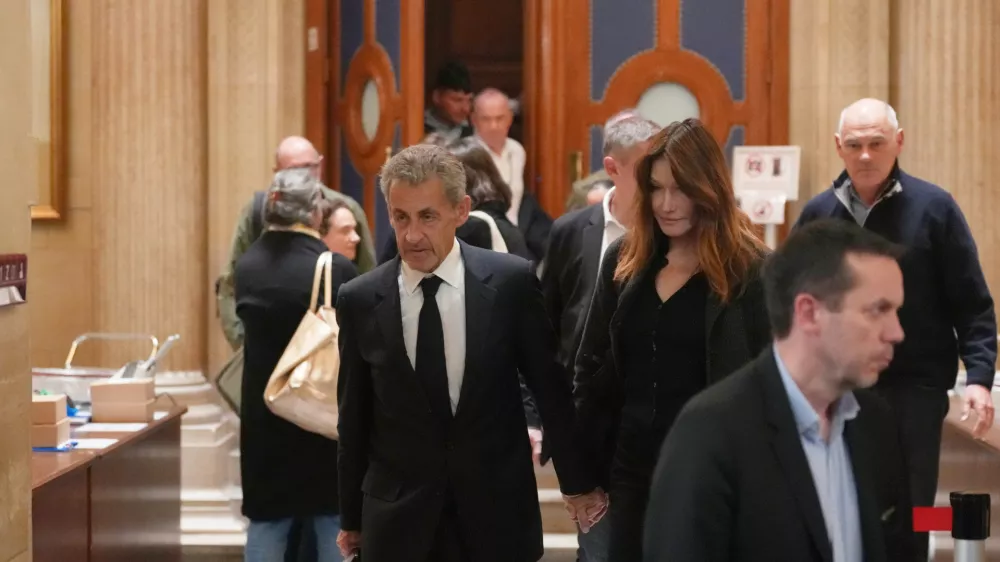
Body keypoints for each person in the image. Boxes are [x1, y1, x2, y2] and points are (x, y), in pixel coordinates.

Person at [335, 144, 607, 562]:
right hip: (398, 524)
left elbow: (550, 389)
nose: (412, 235)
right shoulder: (359, 299)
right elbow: (354, 418)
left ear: (461, 211)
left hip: (495, 515)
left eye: (427, 216)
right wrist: (351, 518)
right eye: (401, 217)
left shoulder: (510, 283)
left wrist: (577, 483)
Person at [644, 219, 918, 561]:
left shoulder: (875, 424)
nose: (896, 333)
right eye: (878, 310)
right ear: (809, 313)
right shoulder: (711, 430)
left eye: (896, 311)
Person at [795, 98, 996, 558]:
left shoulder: (935, 209)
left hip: (913, 392)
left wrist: (979, 378)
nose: (865, 155)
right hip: (835, 392)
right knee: (833, 514)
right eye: (854, 145)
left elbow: (972, 303)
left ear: (899, 142)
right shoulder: (817, 216)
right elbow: (793, 308)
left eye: (877, 143)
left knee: (909, 518)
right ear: (838, 147)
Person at [574, 118, 771, 562]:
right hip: (630, 471)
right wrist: (580, 472)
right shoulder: (624, 259)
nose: (666, 204)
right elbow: (590, 367)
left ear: (708, 189)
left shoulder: (752, 270)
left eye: (680, 189)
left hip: (713, 476)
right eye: (656, 188)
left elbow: (775, 386)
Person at [538, 114, 659, 562]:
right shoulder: (571, 232)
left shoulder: (672, 230)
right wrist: (543, 418)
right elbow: (547, 329)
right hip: (587, 421)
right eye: (647, 167)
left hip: (649, 420)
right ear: (613, 168)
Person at [235, 168, 359, 562]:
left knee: (267, 525)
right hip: (321, 416)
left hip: (265, 418)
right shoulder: (334, 268)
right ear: (315, 212)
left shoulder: (247, 266)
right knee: (332, 524)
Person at [218, 136, 375, 350]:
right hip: (263, 349)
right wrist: (241, 342)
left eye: (309, 167)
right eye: (293, 170)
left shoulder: (346, 209)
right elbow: (229, 283)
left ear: (320, 165)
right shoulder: (256, 211)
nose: (303, 176)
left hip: (326, 352)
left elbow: (368, 277)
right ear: (277, 172)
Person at [472, 88, 552, 263]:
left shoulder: (517, 150)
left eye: (499, 118)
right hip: (484, 236)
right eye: (486, 119)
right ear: (474, 121)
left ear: (509, 119)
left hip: (517, 229)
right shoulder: (469, 154)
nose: (494, 126)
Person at [424, 61, 475, 143]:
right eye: (458, 100)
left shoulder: (475, 133)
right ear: (437, 97)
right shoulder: (416, 129)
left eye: (469, 100)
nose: (466, 109)